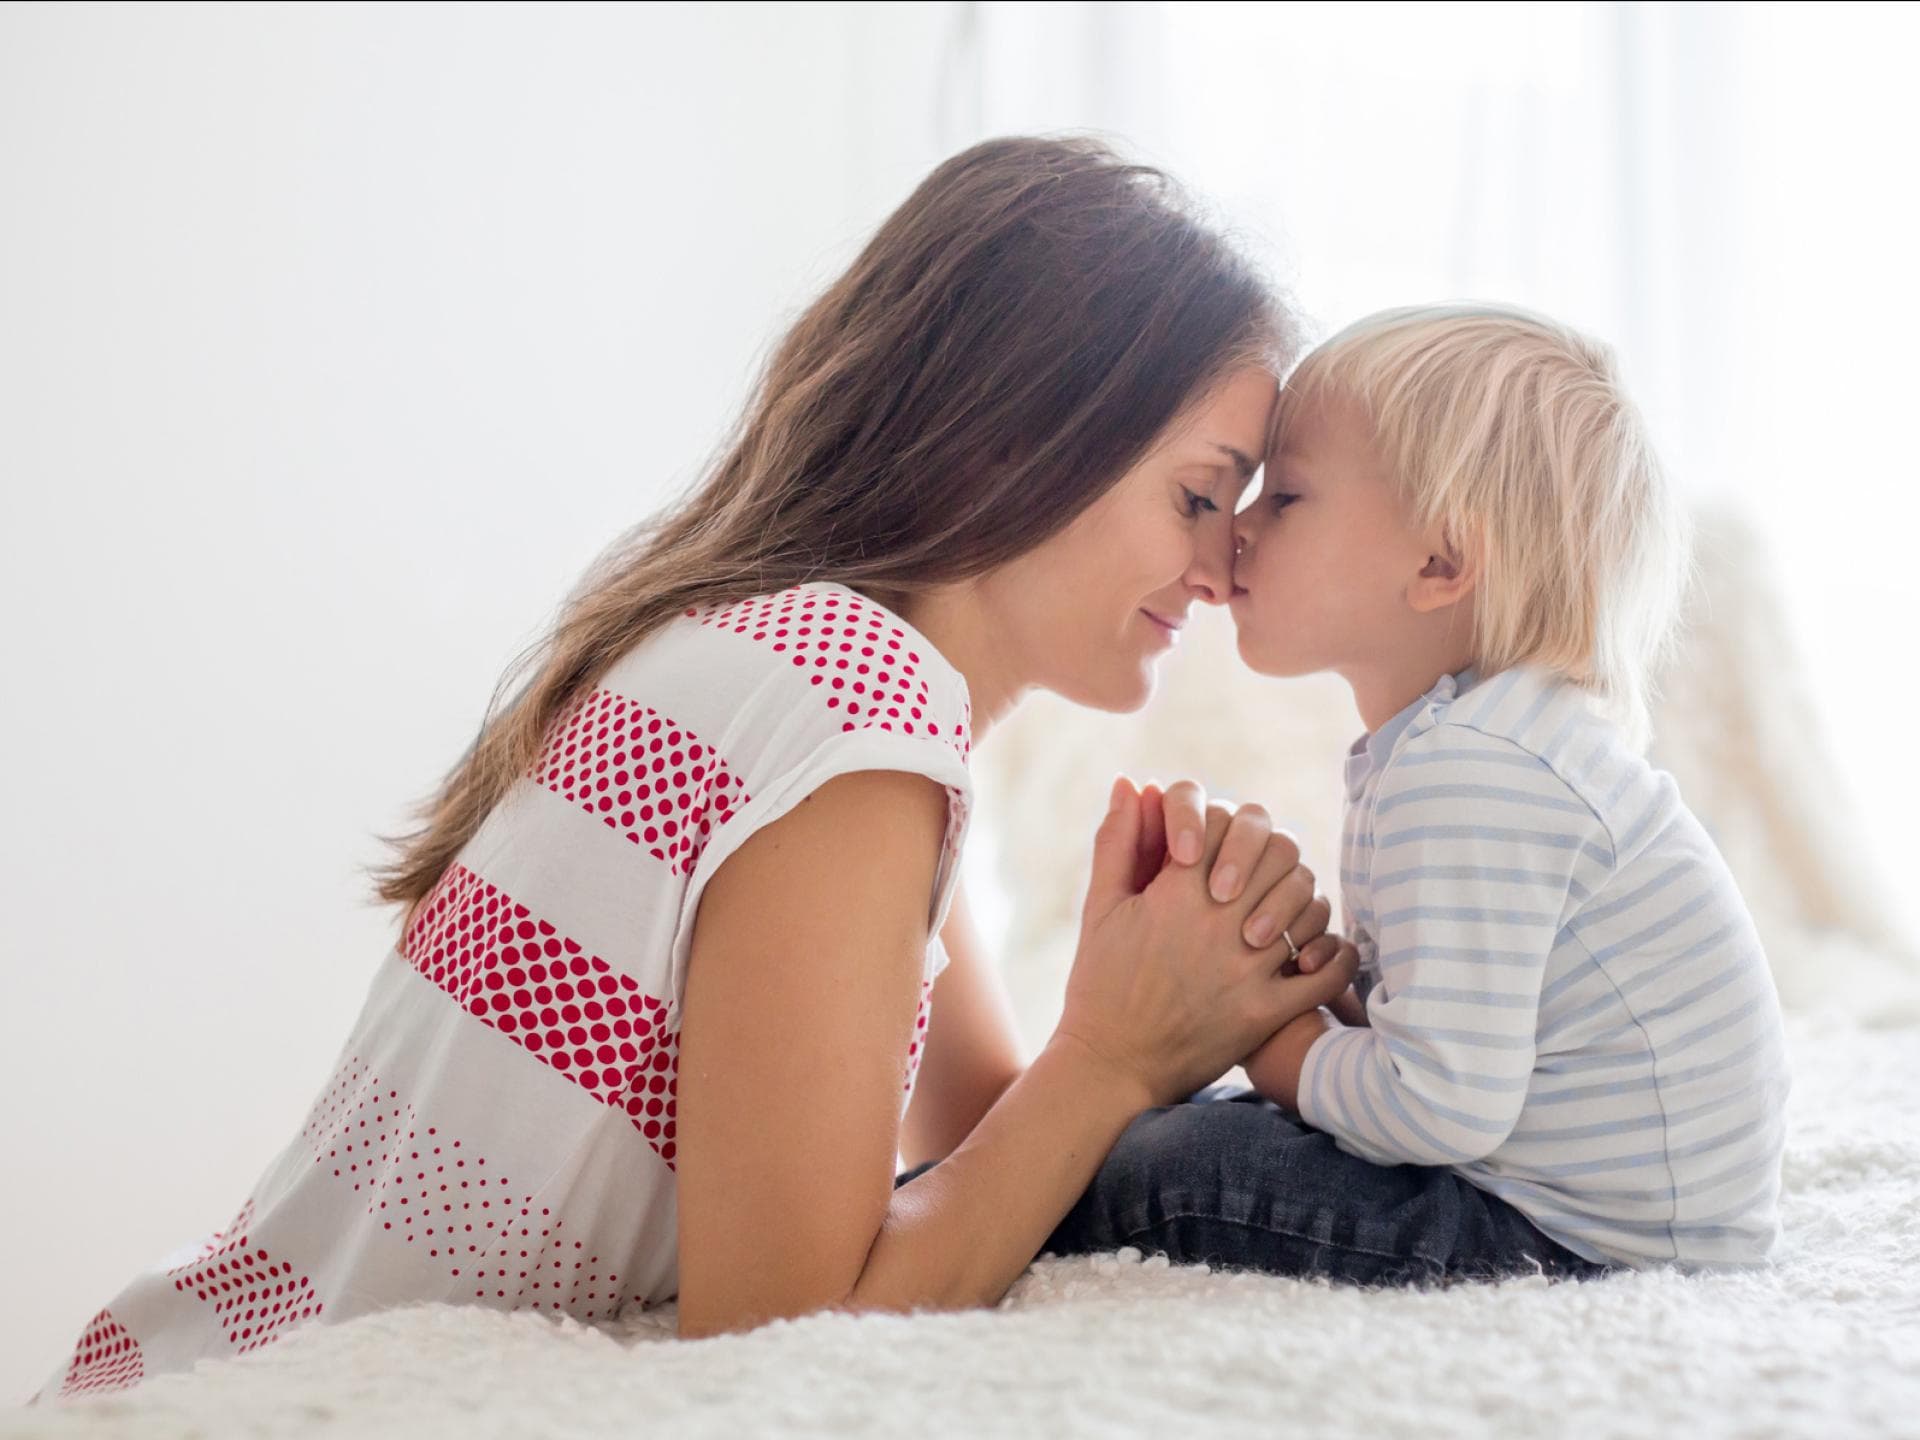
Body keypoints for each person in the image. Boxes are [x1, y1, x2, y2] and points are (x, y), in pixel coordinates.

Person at [38, 136, 1359, 1402]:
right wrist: (1111, 1057)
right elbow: (779, 1341)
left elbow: (972, 1141)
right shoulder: (850, 698)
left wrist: (1160, 1003)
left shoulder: (796, 672)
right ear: (1009, 437)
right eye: (1200, 494)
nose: (1225, 564)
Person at [1046, 303, 1791, 1282]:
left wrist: (1263, 1027)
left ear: (1440, 564)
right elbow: (1447, 1036)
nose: (1239, 531)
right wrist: (1313, 985)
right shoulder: (1475, 746)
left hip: (1573, 1236)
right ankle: (968, 1194)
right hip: (1580, 1200)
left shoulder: (1471, 774)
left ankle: (944, 1222)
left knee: (1182, 1161)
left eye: (1288, 498)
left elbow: (1438, 1105)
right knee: (1186, 1127)